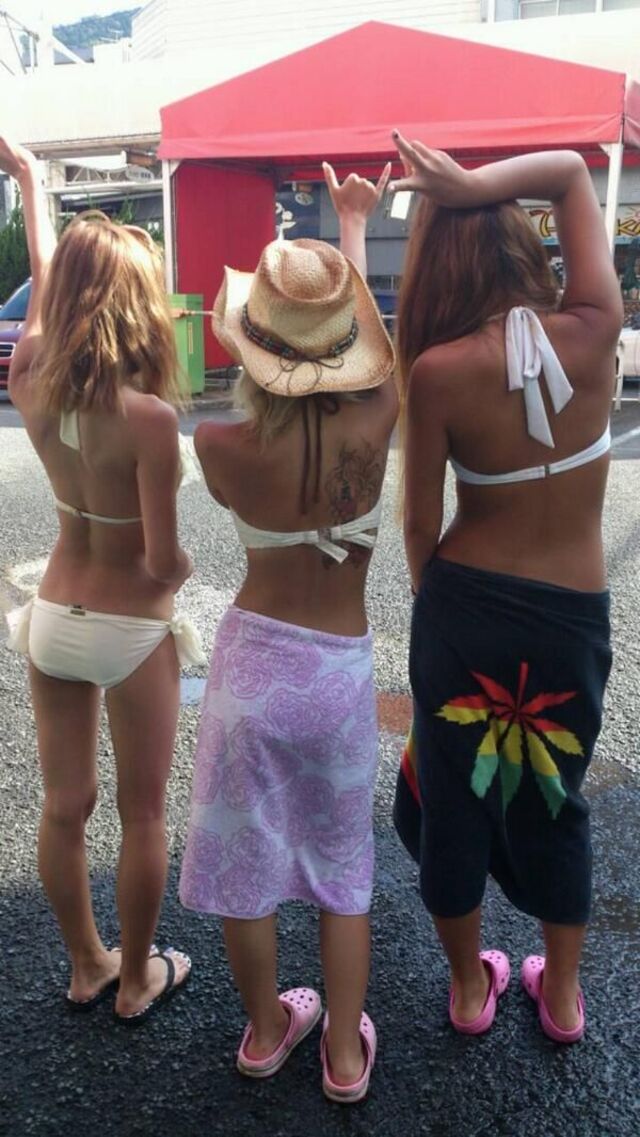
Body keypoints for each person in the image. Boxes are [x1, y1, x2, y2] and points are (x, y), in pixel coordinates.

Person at [389, 132, 621, 1044]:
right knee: (555, 795)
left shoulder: (439, 371)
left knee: (454, 799)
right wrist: (476, 183)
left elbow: (419, 523)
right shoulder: (595, 327)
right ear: (525, 242)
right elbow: (568, 170)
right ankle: (560, 996)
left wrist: (435, 614)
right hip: (571, 616)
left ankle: (467, 988)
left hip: (463, 612)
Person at [179, 162, 397, 1101]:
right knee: (344, 872)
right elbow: (375, 359)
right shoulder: (382, 415)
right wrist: (354, 231)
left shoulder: (219, 445)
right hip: (339, 674)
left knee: (246, 863)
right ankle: (344, 1055)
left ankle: (267, 1031)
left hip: (253, 670)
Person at [2, 137, 204, 1024]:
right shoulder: (150, 420)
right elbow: (162, 562)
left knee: (63, 805)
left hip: (53, 614)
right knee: (144, 814)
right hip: (130, 628)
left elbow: (48, 290)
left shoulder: (30, 381)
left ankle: (87, 962)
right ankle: (135, 981)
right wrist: (189, 570)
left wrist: (28, 182)